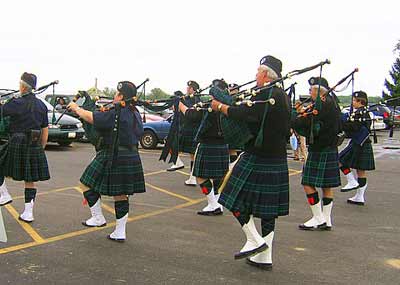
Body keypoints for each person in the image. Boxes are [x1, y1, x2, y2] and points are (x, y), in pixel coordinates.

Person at [211, 55, 290, 270]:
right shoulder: (281, 94)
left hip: (258, 156)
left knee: (231, 198)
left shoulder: (267, 94)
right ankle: (265, 257)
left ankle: (254, 239)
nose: (255, 75)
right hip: (276, 158)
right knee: (268, 211)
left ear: (265, 74)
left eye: (258, 71)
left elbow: (243, 113)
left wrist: (219, 106)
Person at [68, 81, 145, 242]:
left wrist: (76, 108)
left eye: (117, 94)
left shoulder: (116, 113)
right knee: (121, 194)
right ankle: (120, 231)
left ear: (122, 96)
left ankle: (98, 218)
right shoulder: (134, 112)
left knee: (85, 183)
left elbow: (91, 117)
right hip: (131, 155)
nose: (114, 97)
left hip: (113, 154)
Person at [292, 77, 341, 231]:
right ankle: (327, 219)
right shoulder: (333, 104)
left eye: (311, 90)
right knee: (326, 186)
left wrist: (295, 116)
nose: (309, 93)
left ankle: (318, 217)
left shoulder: (321, 105)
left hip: (320, 149)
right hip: (330, 148)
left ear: (319, 91)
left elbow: (307, 124)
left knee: (307, 183)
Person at [0, 72, 50, 223]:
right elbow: (45, 130)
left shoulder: (15, 103)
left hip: (17, 140)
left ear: (22, 86)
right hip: (34, 143)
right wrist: (40, 147)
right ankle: (28, 213)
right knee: (30, 180)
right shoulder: (42, 105)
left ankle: (4, 194)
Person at [178, 79, 229, 215]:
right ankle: (217, 203)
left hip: (208, 144)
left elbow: (192, 115)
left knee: (200, 176)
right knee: (218, 177)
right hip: (223, 144)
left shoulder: (211, 105)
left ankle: (213, 204)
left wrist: (181, 106)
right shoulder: (229, 104)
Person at [339, 91, 375, 205]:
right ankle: (359, 196)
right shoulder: (364, 112)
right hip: (363, 143)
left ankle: (351, 181)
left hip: (358, 143)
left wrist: (344, 122)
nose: (352, 102)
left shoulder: (360, 113)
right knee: (361, 171)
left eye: (354, 100)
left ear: (360, 101)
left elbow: (354, 128)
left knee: (339, 160)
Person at [170, 81, 202, 187]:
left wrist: (180, 104)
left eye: (189, 88)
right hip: (188, 129)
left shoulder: (196, 100)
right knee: (192, 155)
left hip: (191, 129)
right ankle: (190, 176)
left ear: (193, 89)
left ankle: (189, 175)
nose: (187, 89)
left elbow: (190, 113)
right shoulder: (188, 99)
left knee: (170, 142)